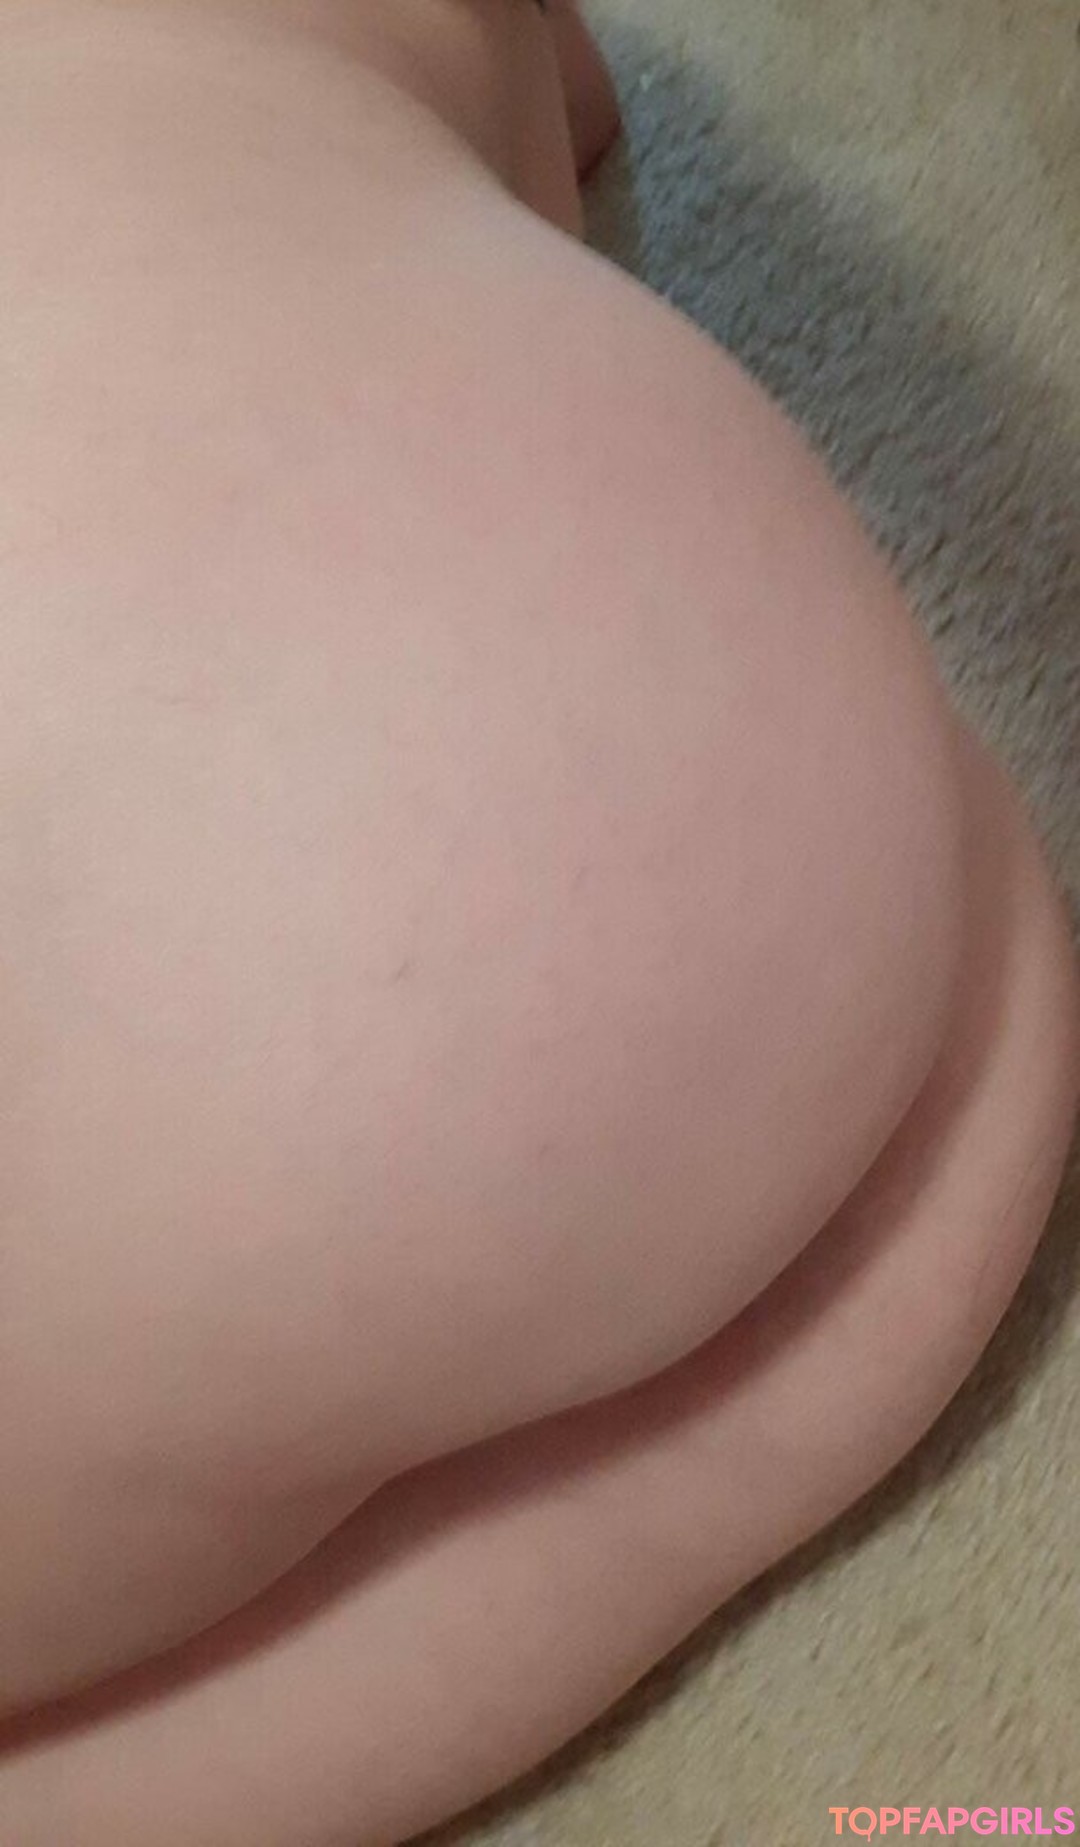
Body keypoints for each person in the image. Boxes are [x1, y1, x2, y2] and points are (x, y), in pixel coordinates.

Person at [0, 2, 1076, 1841]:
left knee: (930, 1125)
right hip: (589, 621)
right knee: (959, 1064)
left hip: (450, 826)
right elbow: (556, 83)